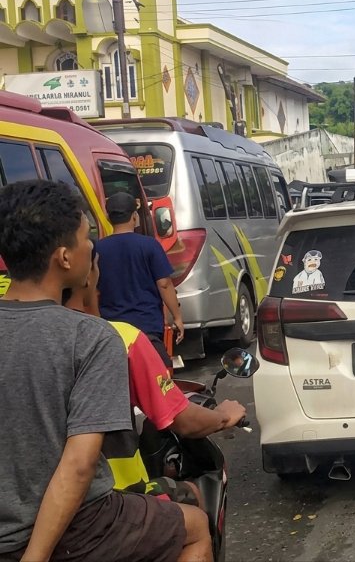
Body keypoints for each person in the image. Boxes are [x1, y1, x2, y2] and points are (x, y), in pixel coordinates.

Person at [0, 181, 209, 562]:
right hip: (80, 528)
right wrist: (35, 556)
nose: (92, 247)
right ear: (64, 257)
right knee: (194, 528)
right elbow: (79, 465)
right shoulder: (92, 338)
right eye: (85, 238)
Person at [63, 249, 247, 502]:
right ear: (85, 275)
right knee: (193, 514)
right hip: (116, 495)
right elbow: (182, 420)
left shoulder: (19, 337)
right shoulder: (119, 339)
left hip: (30, 506)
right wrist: (224, 416)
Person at [95, 191, 184, 368]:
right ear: (134, 216)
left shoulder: (97, 248)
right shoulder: (149, 245)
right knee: (157, 381)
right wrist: (177, 317)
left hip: (111, 331)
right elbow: (164, 284)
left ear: (108, 217)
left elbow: (92, 290)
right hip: (146, 329)